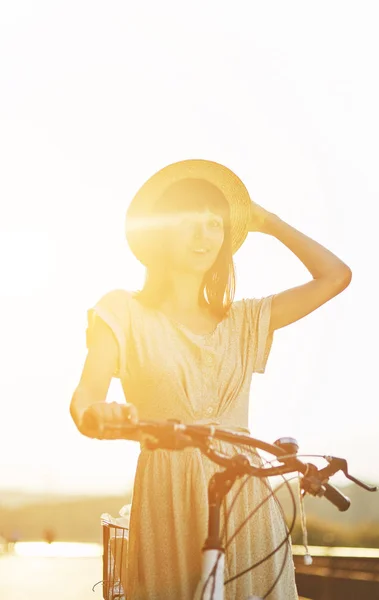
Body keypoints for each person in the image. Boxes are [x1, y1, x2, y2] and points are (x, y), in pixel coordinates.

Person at [70, 159, 352, 599]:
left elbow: (335, 276)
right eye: (189, 222)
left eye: (214, 224)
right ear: (162, 231)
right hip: (168, 497)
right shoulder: (123, 310)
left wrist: (268, 222)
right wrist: (98, 414)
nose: (204, 236)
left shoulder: (244, 320)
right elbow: (86, 397)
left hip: (245, 497)